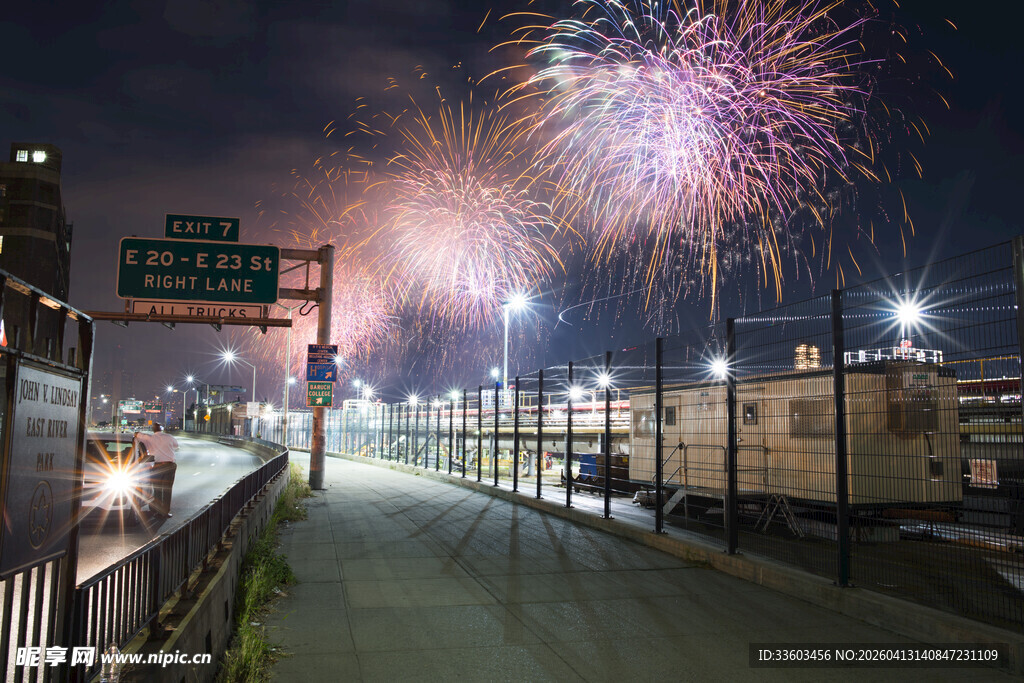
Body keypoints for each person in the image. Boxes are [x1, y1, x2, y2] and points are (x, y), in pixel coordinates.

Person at [136, 423, 179, 519]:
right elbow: (176, 446)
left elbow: (137, 435)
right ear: (161, 428)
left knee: (157, 489)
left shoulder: (149, 438)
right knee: (167, 490)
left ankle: (157, 511)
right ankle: (165, 512)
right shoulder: (169, 437)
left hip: (158, 466)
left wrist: (137, 434)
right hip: (170, 465)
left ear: (153, 430)